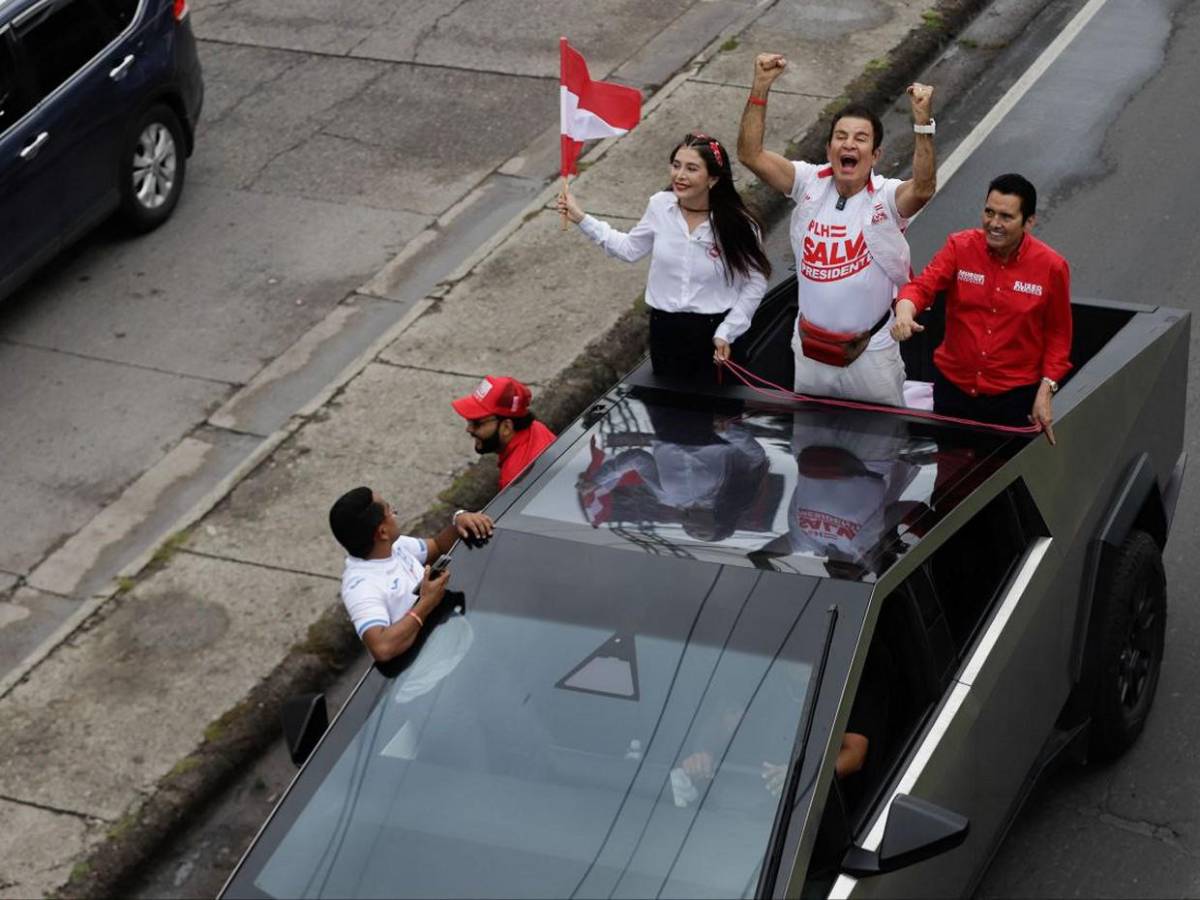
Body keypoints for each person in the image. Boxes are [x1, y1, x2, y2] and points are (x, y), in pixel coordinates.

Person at [737, 53, 936, 405]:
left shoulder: (885, 197)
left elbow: (922, 189)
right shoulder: (807, 182)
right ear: (829, 148)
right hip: (810, 353)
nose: (849, 144)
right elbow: (750, 155)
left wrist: (922, 124)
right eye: (841, 137)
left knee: (881, 440)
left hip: (870, 355)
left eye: (861, 139)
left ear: (875, 155)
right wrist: (761, 87)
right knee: (812, 439)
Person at [556, 132, 771, 381]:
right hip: (665, 333)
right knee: (667, 405)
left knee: (720, 405)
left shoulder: (739, 223)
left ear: (713, 178)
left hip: (718, 337)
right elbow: (628, 249)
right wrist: (581, 218)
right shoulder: (660, 206)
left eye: (691, 169)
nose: (679, 175)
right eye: (676, 165)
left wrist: (728, 330)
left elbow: (756, 281)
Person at [890, 173, 1071, 444]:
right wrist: (905, 311)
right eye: (989, 212)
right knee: (948, 468)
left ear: (1029, 222)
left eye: (1006, 217)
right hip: (952, 392)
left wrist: (1046, 390)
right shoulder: (959, 247)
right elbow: (922, 287)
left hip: (1012, 400)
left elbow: (1059, 336)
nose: (994, 224)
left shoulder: (1052, 267)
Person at [328, 486, 493, 663]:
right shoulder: (360, 588)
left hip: (462, 646)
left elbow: (437, 546)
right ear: (382, 532)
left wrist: (459, 520)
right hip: (437, 670)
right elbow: (382, 648)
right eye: (390, 511)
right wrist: (427, 602)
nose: (395, 513)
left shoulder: (394, 546)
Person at [451, 375, 556, 489]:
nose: (469, 429)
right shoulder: (536, 428)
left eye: (477, 423)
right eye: (469, 421)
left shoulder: (515, 481)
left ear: (506, 427)